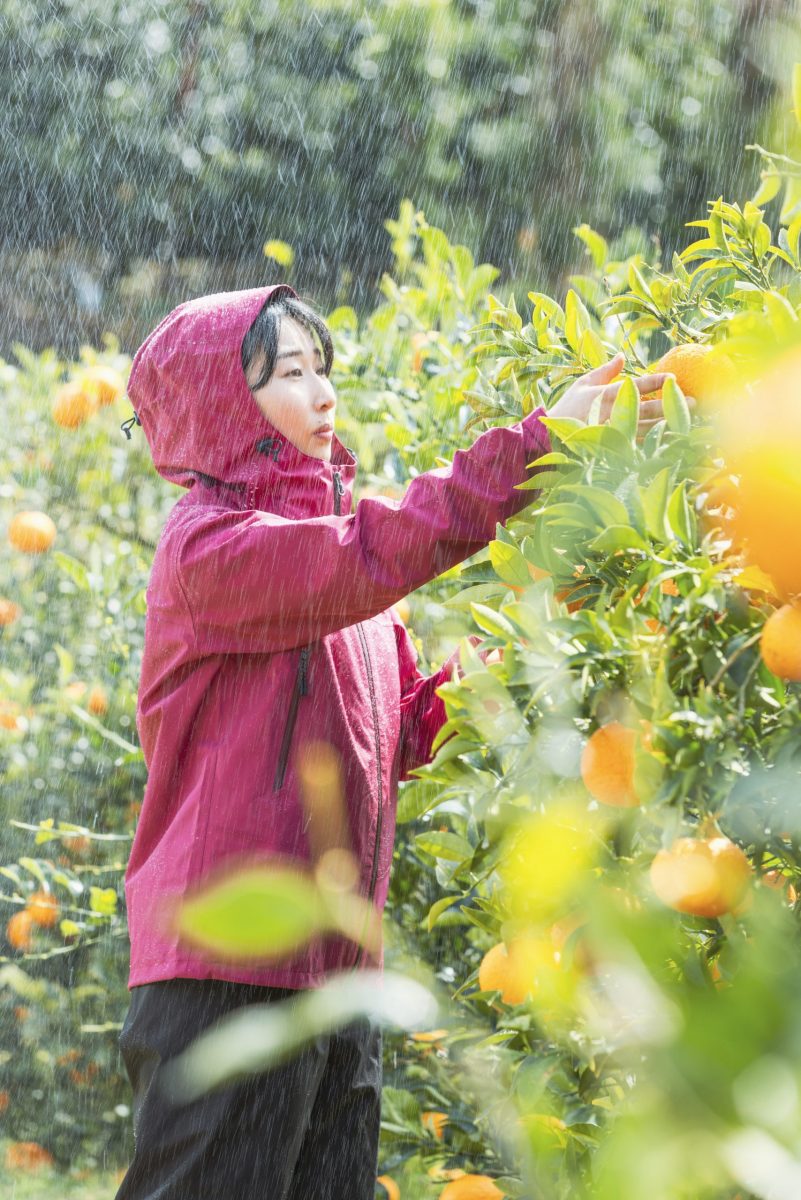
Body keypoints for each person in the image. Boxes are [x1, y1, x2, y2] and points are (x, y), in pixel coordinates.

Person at [114, 284, 670, 1199]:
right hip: (226, 972)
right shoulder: (213, 550)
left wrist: (551, 620)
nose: (324, 393)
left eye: (322, 368)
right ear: (223, 404)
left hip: (338, 975)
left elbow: (408, 725)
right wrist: (535, 447)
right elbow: (371, 553)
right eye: (290, 374)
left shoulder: (337, 572)